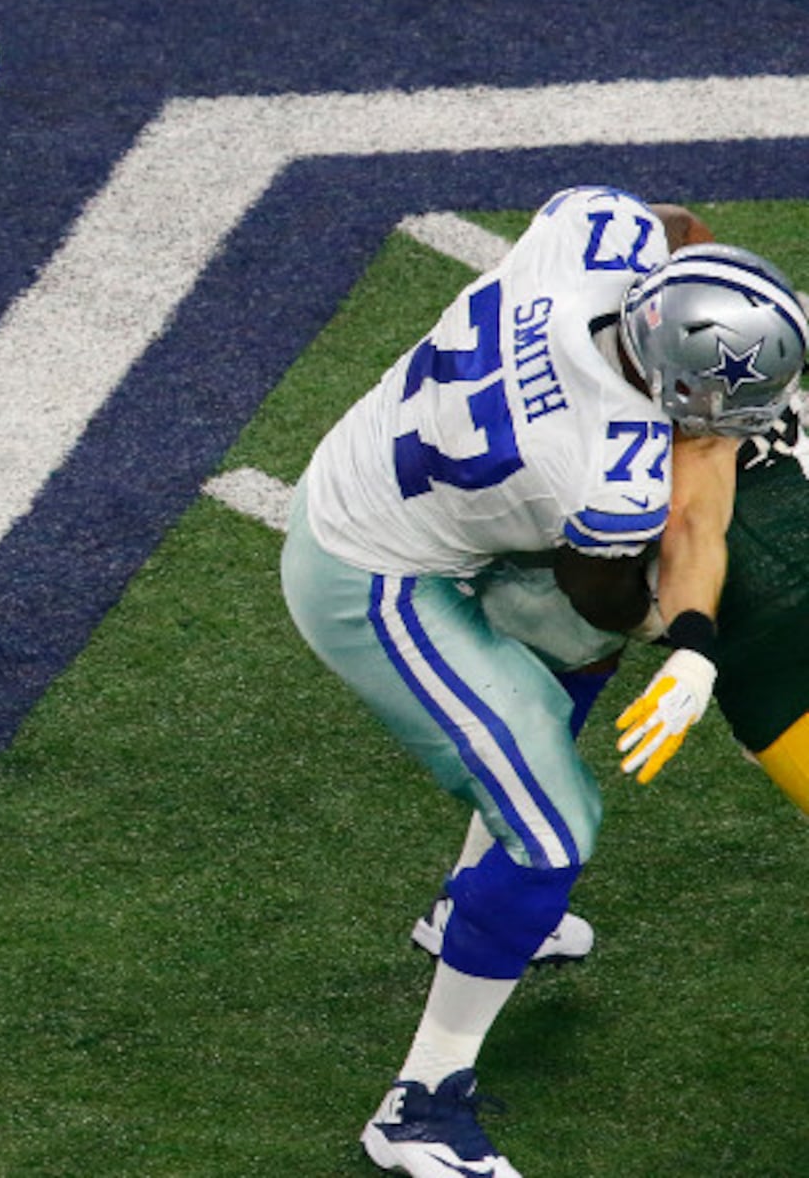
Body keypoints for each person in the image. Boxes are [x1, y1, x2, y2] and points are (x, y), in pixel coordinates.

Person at [280, 199, 805, 1178]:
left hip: (387, 465)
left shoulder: (594, 231)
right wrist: (681, 632)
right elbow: (602, 597)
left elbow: (674, 223)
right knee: (554, 826)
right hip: (368, 578)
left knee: (559, 657)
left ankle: (467, 913)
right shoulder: (605, 474)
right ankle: (420, 1105)